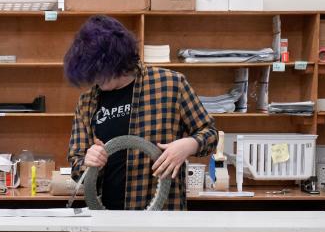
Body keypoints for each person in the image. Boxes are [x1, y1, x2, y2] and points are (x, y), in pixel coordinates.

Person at [65, 15, 218, 210]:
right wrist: (88, 161)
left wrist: (189, 145)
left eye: (97, 71)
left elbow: (210, 134)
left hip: (162, 215)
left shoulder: (171, 85)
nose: (94, 79)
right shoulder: (87, 102)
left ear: (114, 60)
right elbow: (77, 165)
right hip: (106, 218)